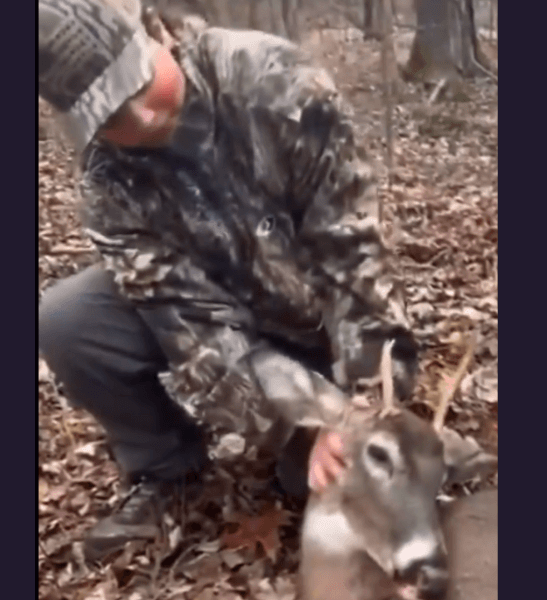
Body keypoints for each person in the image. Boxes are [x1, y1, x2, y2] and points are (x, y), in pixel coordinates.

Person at [37, 0, 419, 558]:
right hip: (230, 328)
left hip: (319, 328)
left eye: (138, 83)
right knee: (67, 319)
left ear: (155, 35)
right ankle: (169, 472)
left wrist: (357, 412)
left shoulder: (275, 83)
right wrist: (303, 424)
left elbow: (355, 263)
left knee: (316, 484)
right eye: (111, 113)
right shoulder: (106, 180)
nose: (140, 118)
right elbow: (194, 332)